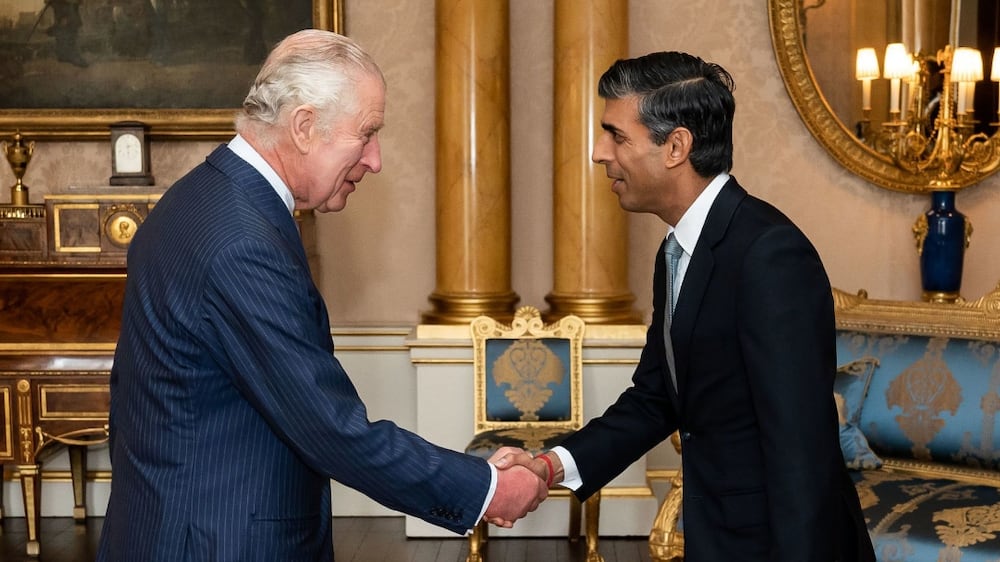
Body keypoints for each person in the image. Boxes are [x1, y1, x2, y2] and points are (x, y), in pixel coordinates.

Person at [97, 29, 545, 562]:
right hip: (222, 539)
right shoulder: (243, 241)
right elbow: (329, 428)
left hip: (171, 524)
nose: (375, 160)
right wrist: (484, 488)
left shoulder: (198, 197)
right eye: (367, 133)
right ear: (305, 126)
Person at [496, 51, 876, 561]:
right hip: (716, 538)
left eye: (617, 135)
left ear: (676, 146)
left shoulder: (768, 253)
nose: (598, 151)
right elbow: (657, 399)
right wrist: (549, 465)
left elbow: (800, 449)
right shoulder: (676, 252)